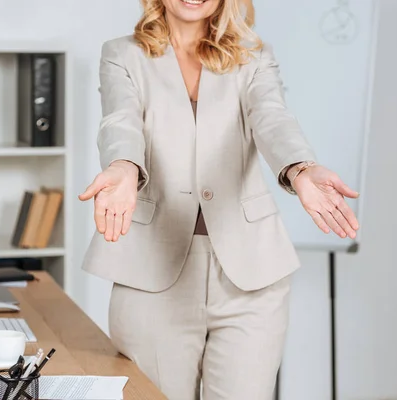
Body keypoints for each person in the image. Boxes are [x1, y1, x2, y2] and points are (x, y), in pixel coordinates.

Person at [78, 0, 360, 398]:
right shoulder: (123, 54)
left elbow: (272, 118)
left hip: (250, 274)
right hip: (152, 270)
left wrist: (301, 168)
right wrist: (123, 165)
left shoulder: (254, 56)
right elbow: (120, 120)